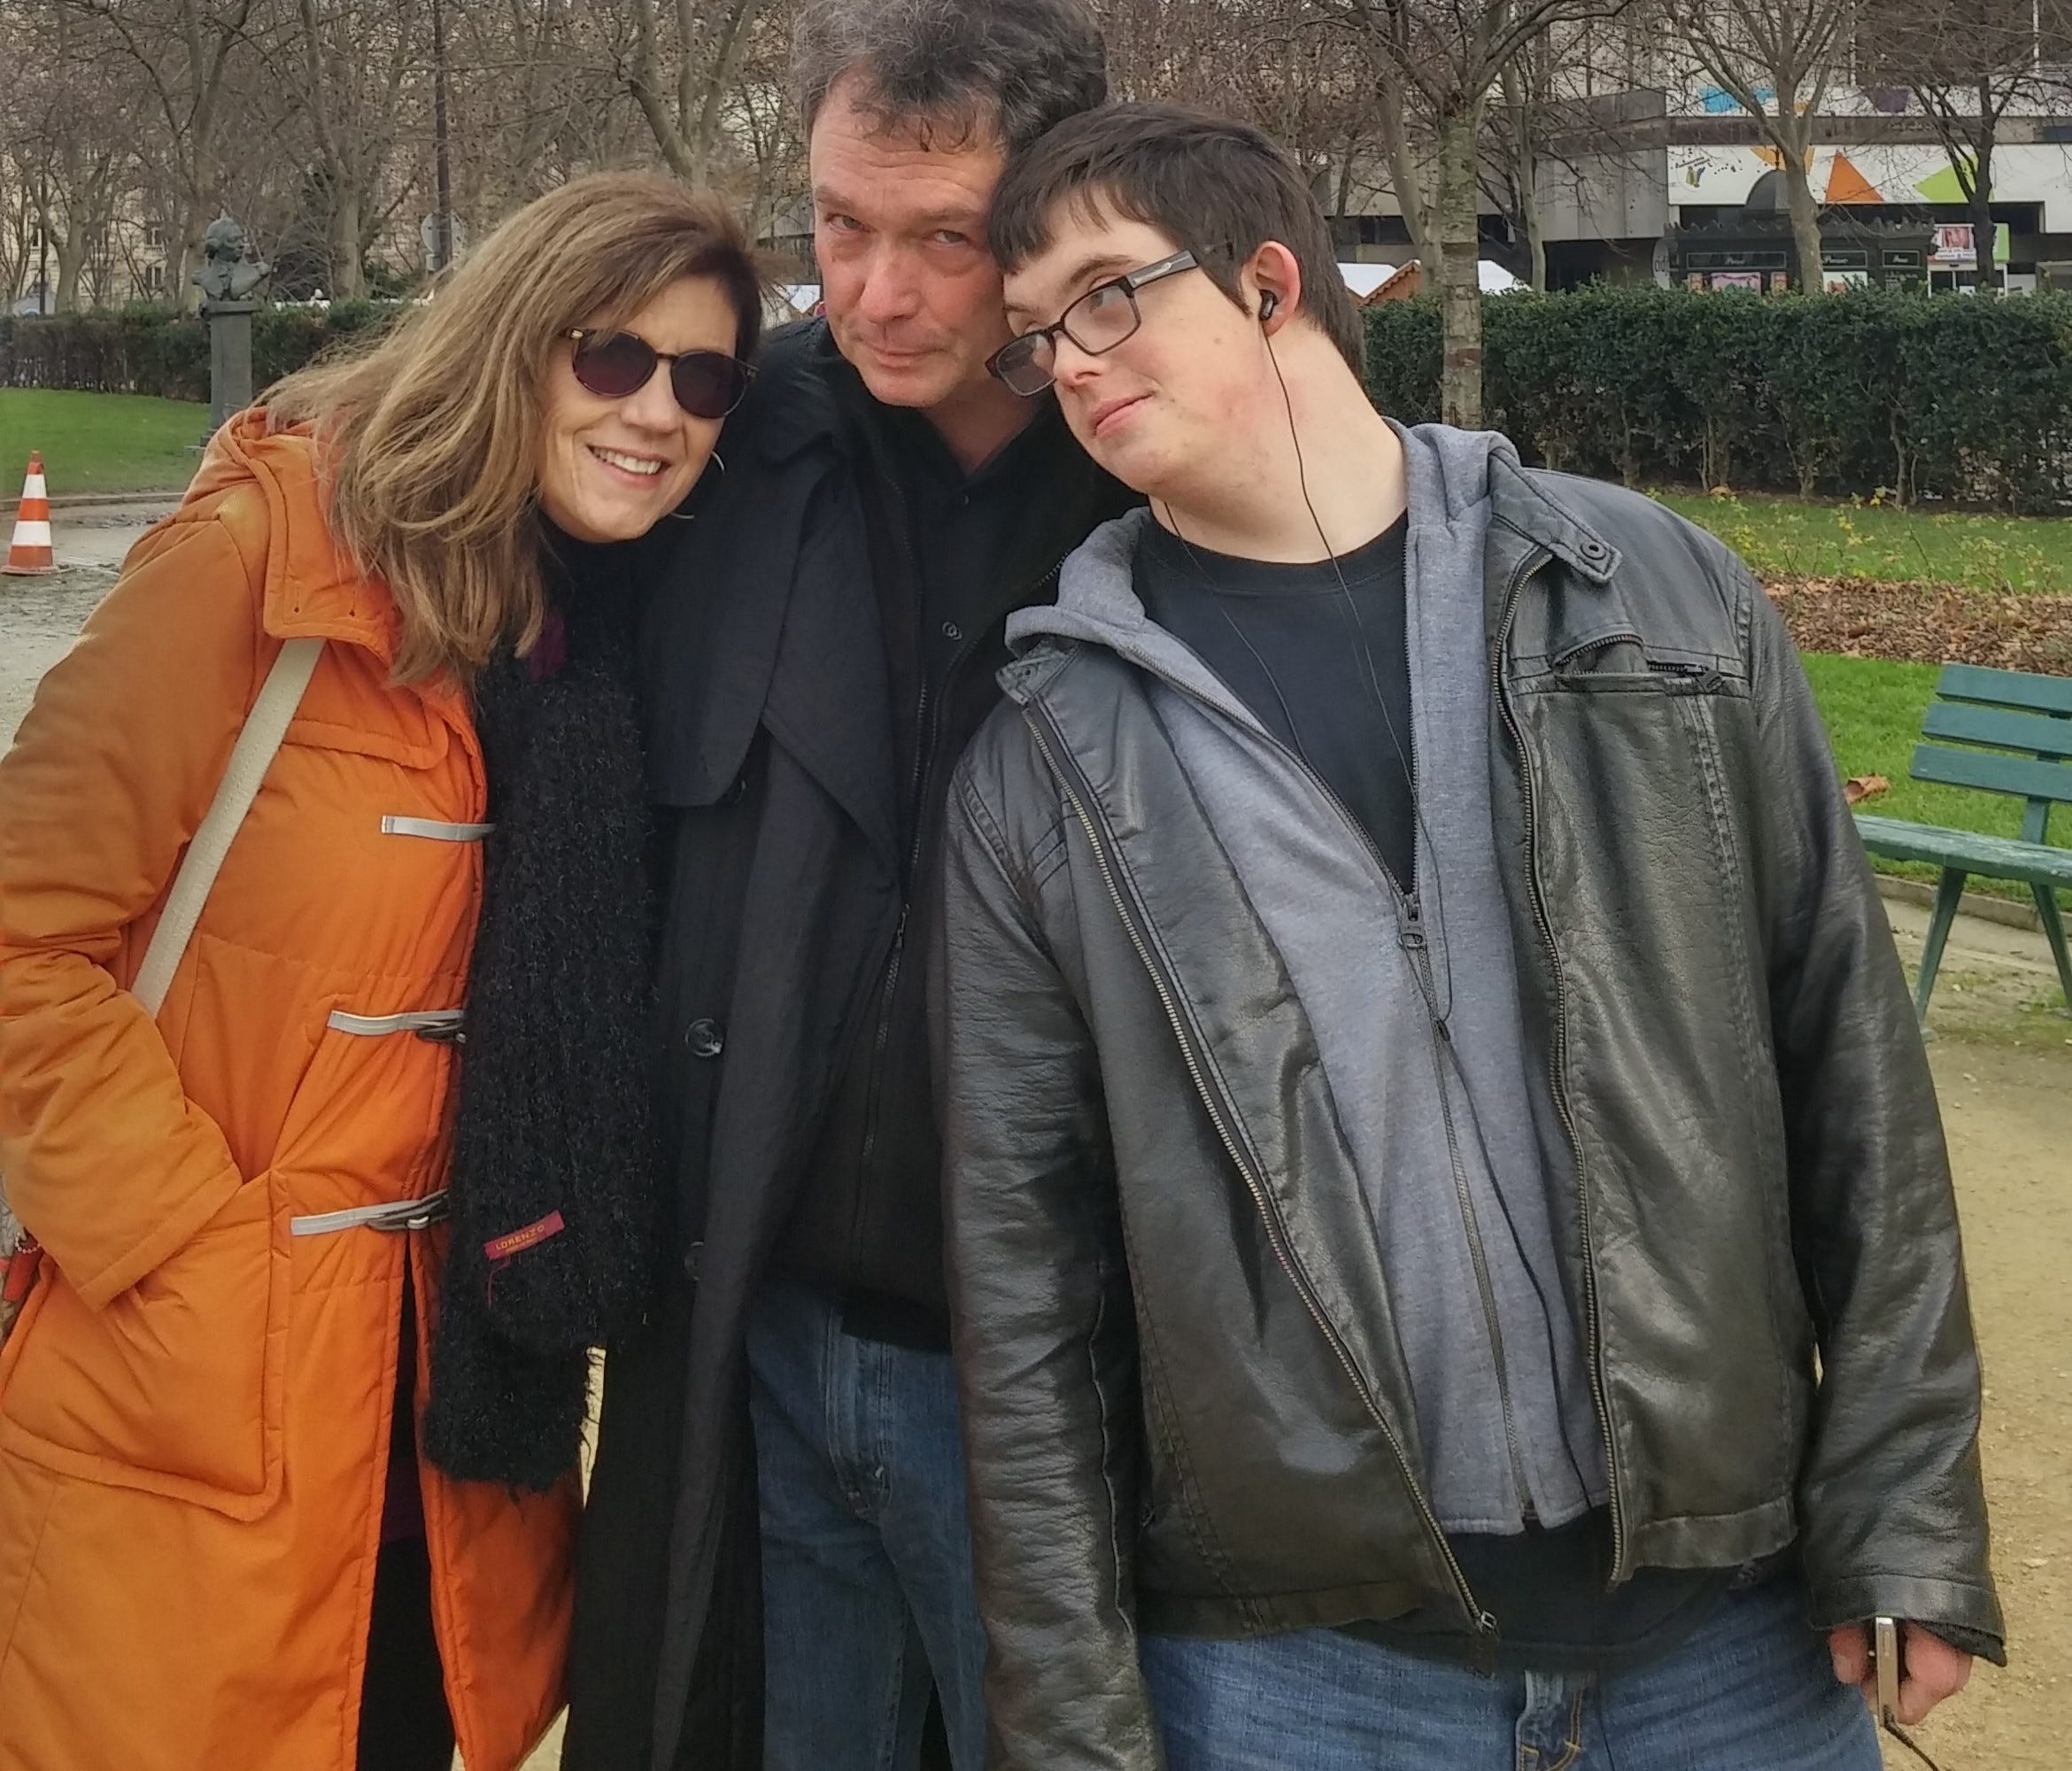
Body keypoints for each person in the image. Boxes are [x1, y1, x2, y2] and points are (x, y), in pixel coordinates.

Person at [933, 103, 2005, 1771]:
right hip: (1305, 1681)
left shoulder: (1653, 594)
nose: (1066, 362)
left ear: (1269, 282)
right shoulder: (1046, 754)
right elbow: (1028, 1289)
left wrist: (1905, 1511)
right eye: (1032, 337)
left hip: (1732, 1645)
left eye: (1104, 297)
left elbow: (1849, 1062)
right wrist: (1073, 1725)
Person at [0, 172, 761, 1771]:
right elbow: (20, 931)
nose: (658, 409)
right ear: (514, 341)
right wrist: (182, 1245)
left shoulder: (592, 637)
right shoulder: (263, 560)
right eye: (611, 356)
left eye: (705, 380)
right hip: (197, 1391)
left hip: (452, 1423)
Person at [561, 4, 1133, 1768]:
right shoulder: (728, 445)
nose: (874, 293)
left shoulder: (1166, 476)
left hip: (1068, 1383)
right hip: (766, 1336)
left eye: (944, 240)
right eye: (839, 225)